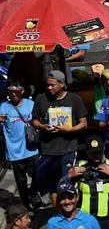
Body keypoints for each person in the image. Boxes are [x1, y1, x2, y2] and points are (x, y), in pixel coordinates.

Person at [31, 71, 87, 202]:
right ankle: (58, 214)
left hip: (68, 150)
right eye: (47, 85)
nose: (49, 88)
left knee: (67, 185)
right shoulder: (41, 99)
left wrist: (70, 129)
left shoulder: (74, 99)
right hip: (48, 150)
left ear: (62, 84)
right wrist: (43, 127)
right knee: (52, 188)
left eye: (52, 85)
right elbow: (34, 121)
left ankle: (68, 210)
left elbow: (83, 123)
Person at [0, 82, 39, 209]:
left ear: (22, 91)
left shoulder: (30, 104)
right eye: (10, 92)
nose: (13, 94)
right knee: (21, 182)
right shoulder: (4, 107)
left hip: (32, 148)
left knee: (38, 175)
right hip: (15, 151)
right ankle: (27, 206)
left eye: (16, 92)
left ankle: (33, 193)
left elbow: (38, 121)